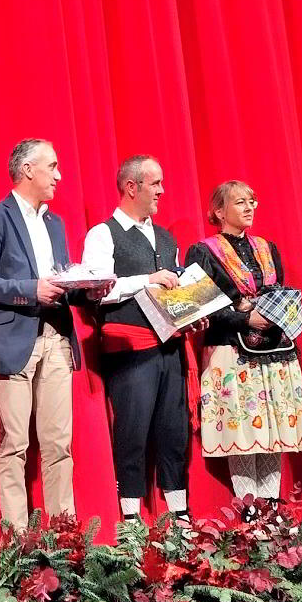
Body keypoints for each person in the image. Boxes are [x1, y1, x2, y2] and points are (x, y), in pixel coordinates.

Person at [0, 138, 106, 530]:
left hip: (57, 338)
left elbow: (59, 280)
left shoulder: (54, 223)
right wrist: (30, 289)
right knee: (13, 445)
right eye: (53, 167)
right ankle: (17, 543)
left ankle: (65, 539)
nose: (59, 176)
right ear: (28, 170)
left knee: (59, 444)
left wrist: (87, 289)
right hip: (14, 343)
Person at [184, 181, 302, 507]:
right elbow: (201, 307)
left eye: (252, 201)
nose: (249, 207)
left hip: (273, 349)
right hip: (231, 351)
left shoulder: (267, 248)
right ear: (219, 211)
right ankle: (250, 517)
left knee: (270, 433)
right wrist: (244, 317)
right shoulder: (202, 252)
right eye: (240, 202)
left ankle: (270, 510)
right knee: (244, 434)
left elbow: (277, 294)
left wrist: (257, 308)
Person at [81, 155, 196, 520]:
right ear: (132, 187)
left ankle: (179, 514)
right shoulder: (103, 234)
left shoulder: (165, 236)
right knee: (133, 431)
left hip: (170, 347)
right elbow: (97, 288)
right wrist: (147, 279)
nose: (162, 190)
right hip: (131, 348)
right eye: (155, 183)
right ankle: (130, 518)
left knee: (173, 431)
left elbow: (173, 290)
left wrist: (193, 313)